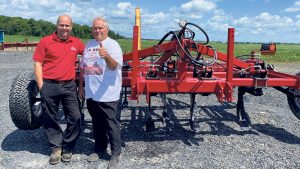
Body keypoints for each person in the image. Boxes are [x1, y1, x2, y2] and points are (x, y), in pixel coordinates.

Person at [33, 14, 84, 165]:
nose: (64, 28)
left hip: (69, 85)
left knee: (75, 117)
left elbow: (90, 55)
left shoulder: (76, 42)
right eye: (62, 25)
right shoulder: (46, 42)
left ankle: (68, 146)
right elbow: (37, 64)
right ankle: (56, 148)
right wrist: (41, 86)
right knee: (50, 117)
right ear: (57, 25)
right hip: (49, 84)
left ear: (71, 27)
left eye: (67, 25)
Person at [79, 17, 122, 169]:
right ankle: (99, 148)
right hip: (92, 93)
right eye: (95, 28)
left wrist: (107, 56)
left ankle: (116, 153)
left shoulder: (113, 45)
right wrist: (81, 86)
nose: (97, 30)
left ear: (106, 29)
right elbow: (83, 67)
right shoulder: (89, 44)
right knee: (96, 123)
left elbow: (115, 66)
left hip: (108, 93)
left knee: (111, 124)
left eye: (100, 28)